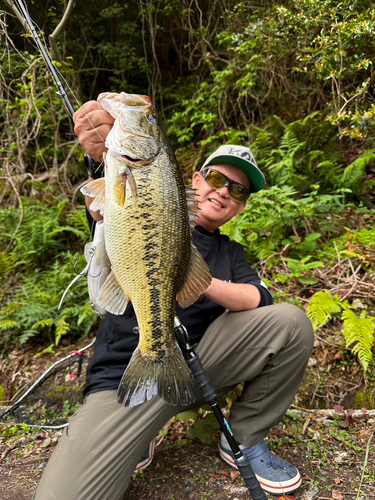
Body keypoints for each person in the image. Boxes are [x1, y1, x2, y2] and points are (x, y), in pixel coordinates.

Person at [34, 100, 314, 500]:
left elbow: (258, 297)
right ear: (196, 180)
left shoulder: (231, 254)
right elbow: (101, 207)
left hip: (197, 372)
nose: (224, 192)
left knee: (291, 322)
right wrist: (99, 159)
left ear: (242, 205)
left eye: (238, 189)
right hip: (122, 380)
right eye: (218, 178)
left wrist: (196, 279)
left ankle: (245, 440)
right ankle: (139, 432)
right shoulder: (137, 186)